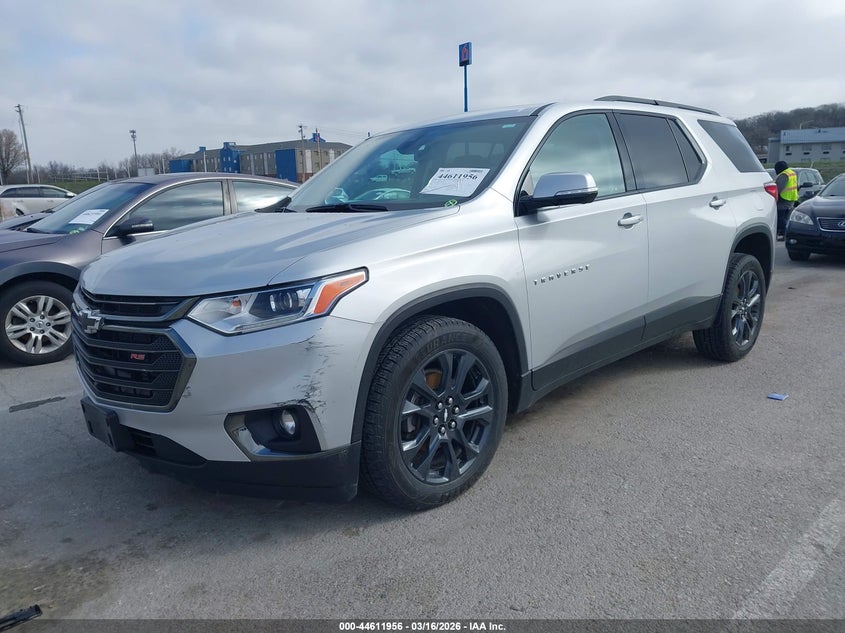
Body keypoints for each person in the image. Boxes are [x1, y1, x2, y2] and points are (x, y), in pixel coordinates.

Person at [774, 160, 798, 240]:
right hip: (791, 198)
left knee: (780, 218)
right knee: (785, 218)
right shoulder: (791, 173)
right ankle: (785, 234)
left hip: (783, 199)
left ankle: (787, 233)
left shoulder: (783, 175)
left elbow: (778, 188)